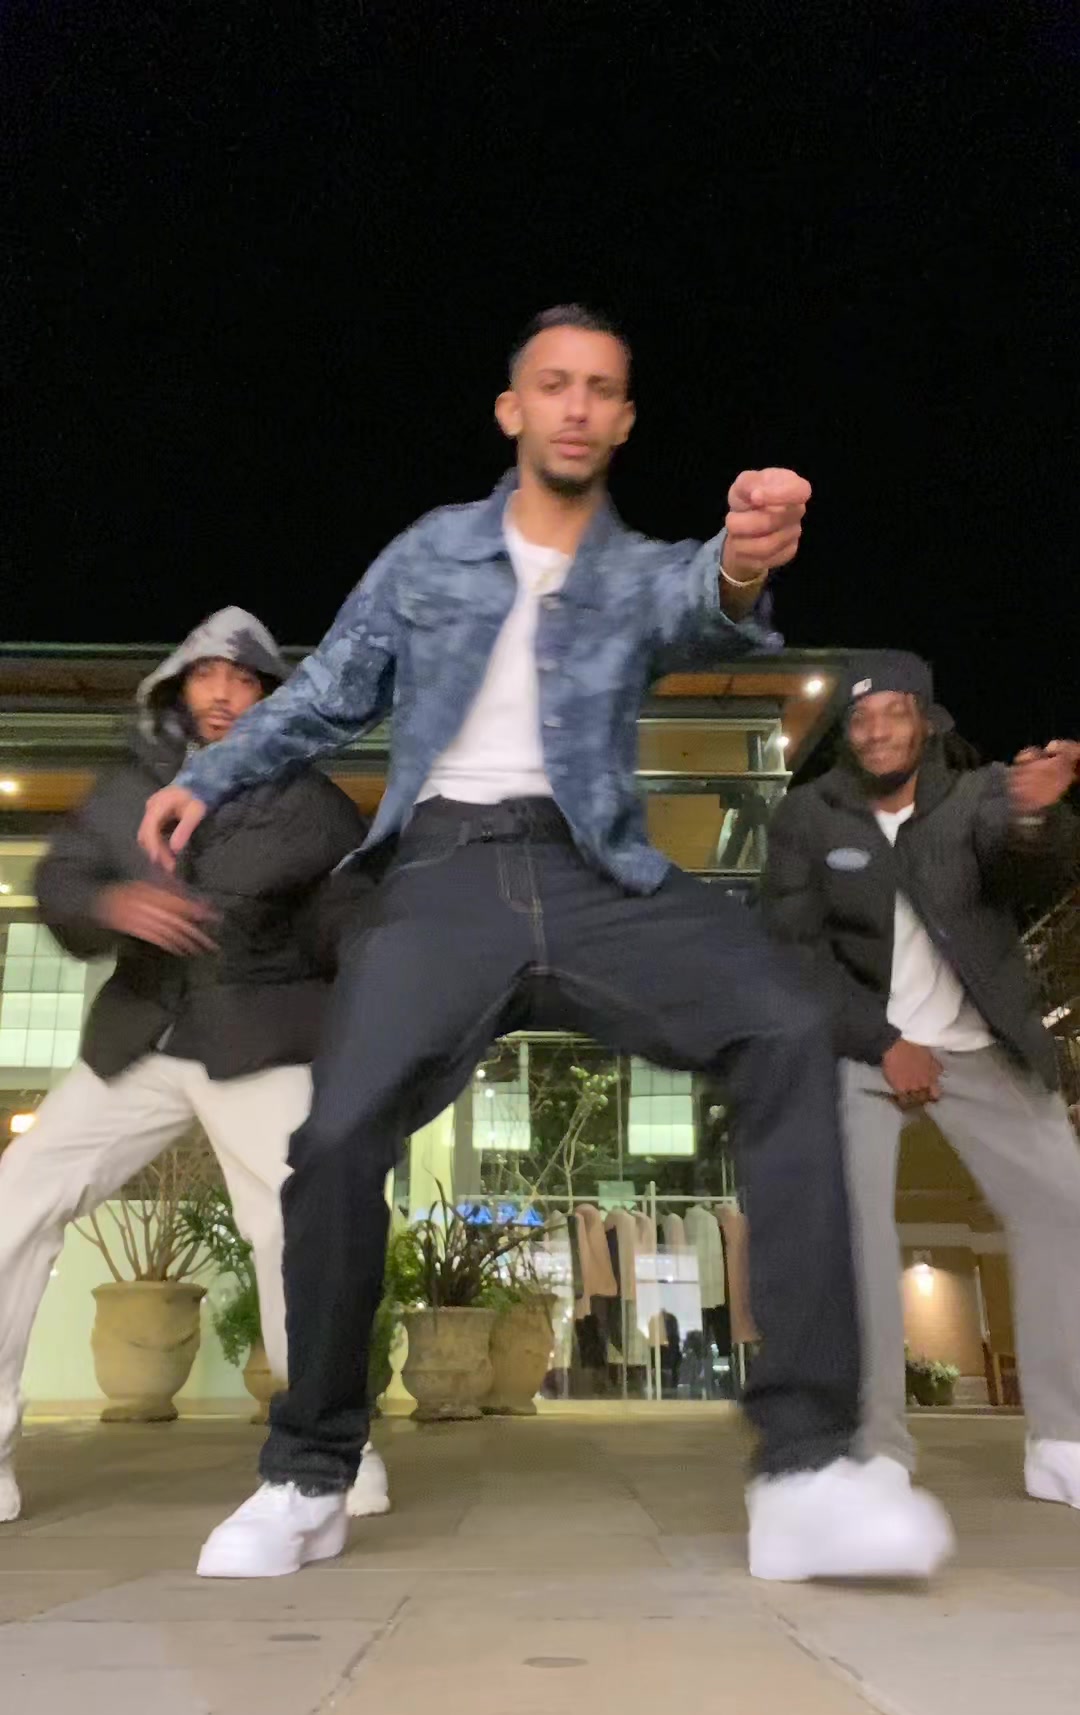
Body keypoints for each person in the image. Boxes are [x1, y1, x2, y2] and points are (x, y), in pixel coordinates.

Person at [140, 305, 953, 1583]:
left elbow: (705, 597)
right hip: (443, 874)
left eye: (602, 389)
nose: (577, 404)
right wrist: (213, 775)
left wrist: (744, 558)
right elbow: (327, 691)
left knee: (789, 1024)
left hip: (595, 871)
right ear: (514, 409)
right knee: (337, 1136)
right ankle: (310, 1472)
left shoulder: (634, 570)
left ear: (622, 421)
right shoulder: (430, 554)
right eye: (554, 384)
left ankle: (807, 1473)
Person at [0, 609, 391, 1524]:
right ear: (178, 685)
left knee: (294, 1230)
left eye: (245, 678)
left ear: (270, 696)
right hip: (141, 1036)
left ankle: (335, 1452)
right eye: (208, 673)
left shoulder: (312, 805)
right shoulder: (128, 786)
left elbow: (355, 929)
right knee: (14, 1205)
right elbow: (60, 883)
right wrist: (111, 902)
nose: (223, 691)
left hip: (260, 1038)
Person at [761, 650, 1080, 1508]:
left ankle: (1063, 1440)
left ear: (925, 721)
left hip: (980, 1047)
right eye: (860, 718)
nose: (875, 731)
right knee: (856, 1234)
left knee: (1063, 1209)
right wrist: (880, 1039)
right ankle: (875, 1450)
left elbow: (1028, 875)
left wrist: (1036, 816)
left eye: (893, 713)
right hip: (862, 1051)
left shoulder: (976, 798)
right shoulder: (808, 817)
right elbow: (792, 950)